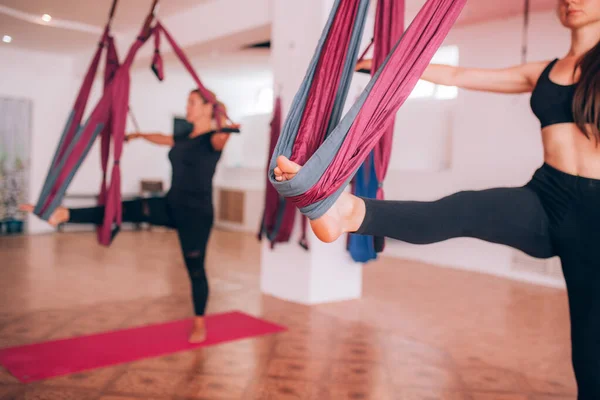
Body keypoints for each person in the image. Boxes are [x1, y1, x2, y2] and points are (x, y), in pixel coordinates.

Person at [274, 0, 600, 398]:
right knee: (459, 209)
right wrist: (389, 66)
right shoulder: (545, 72)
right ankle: (347, 210)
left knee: (589, 348)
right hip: (547, 196)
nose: (572, 1)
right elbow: (458, 73)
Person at [22, 89, 239, 343]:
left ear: (206, 108)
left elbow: (223, 136)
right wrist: (138, 135)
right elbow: (162, 138)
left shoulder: (213, 139)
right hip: (171, 204)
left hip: (196, 215)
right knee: (123, 208)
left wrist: (222, 118)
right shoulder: (183, 136)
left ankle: (199, 322)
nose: (187, 107)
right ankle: (64, 214)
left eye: (192, 103)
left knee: (196, 270)